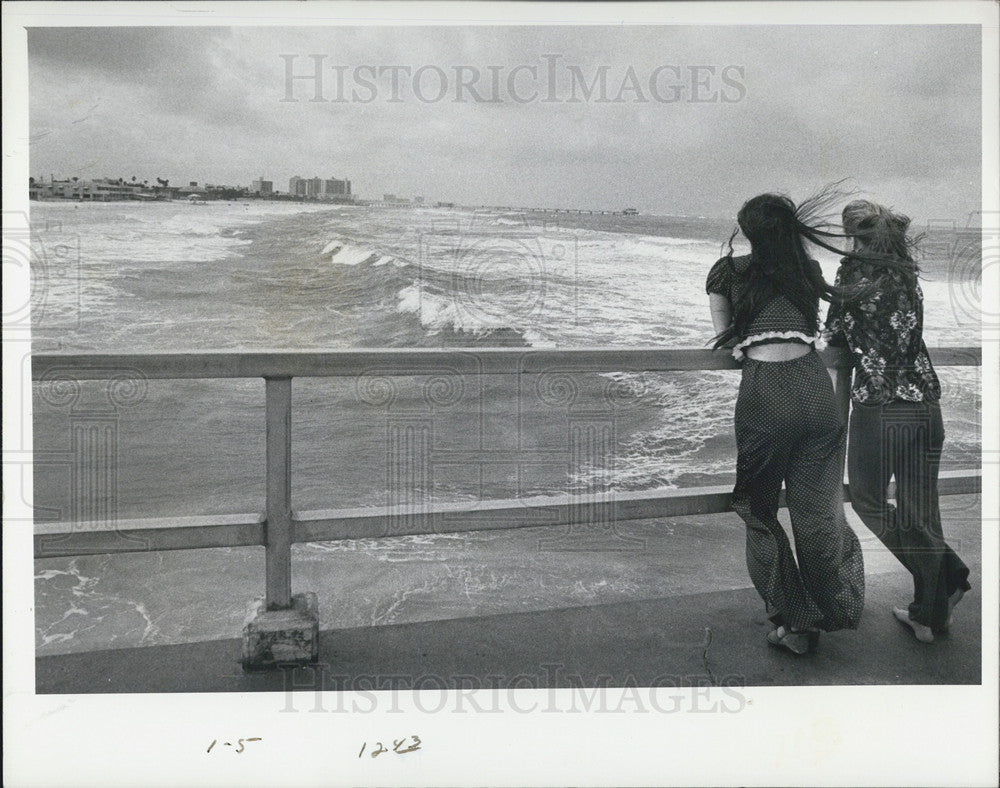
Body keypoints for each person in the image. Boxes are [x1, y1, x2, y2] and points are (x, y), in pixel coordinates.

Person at [706, 191, 865, 655]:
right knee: (816, 513)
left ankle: (796, 623)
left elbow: (722, 336)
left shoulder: (727, 271)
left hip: (766, 395)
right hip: (816, 391)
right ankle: (835, 607)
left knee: (757, 511)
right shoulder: (807, 271)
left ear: (750, 230)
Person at [825, 200, 971, 643]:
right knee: (920, 511)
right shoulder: (906, 270)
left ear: (853, 235)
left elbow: (833, 334)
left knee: (869, 501)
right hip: (926, 403)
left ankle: (947, 576)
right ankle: (931, 614)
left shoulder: (853, 271)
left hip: (881, 405)